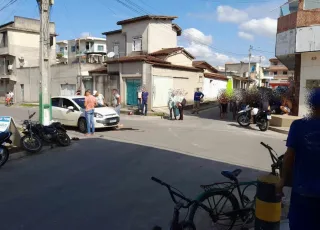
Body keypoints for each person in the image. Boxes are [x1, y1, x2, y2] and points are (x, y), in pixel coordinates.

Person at [277, 88, 320, 230]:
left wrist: (282, 180)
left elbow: (289, 156)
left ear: (312, 106)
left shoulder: (299, 126)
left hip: (302, 192)